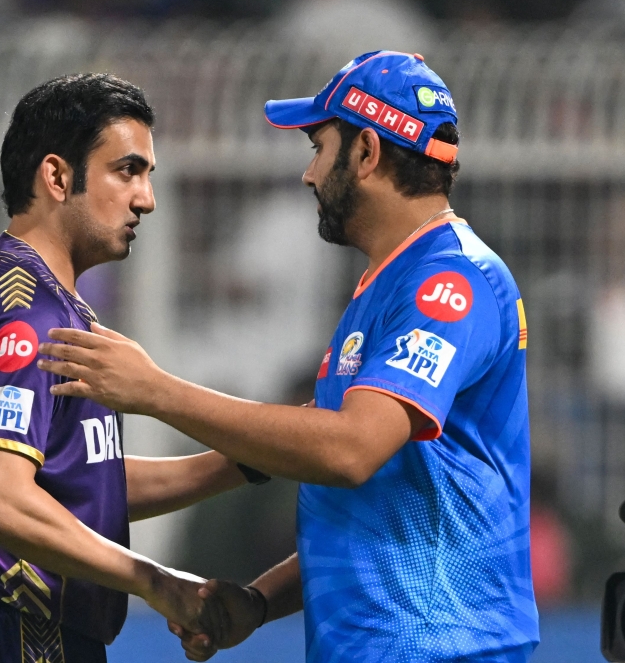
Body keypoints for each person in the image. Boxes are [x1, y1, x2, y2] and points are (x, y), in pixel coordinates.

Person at [37, 51, 540, 662]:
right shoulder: (389, 284)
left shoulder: (450, 281)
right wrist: (259, 602)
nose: (309, 174)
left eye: (318, 147)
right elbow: (375, 509)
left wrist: (156, 391)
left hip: (444, 649)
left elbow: (350, 451)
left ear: (367, 153)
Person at [0, 73, 258, 663]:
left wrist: (245, 461)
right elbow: (1, 501)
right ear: (57, 177)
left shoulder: (39, 298)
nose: (146, 199)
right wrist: (155, 581)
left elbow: (81, 480)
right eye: (127, 171)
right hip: (18, 634)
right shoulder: (28, 315)